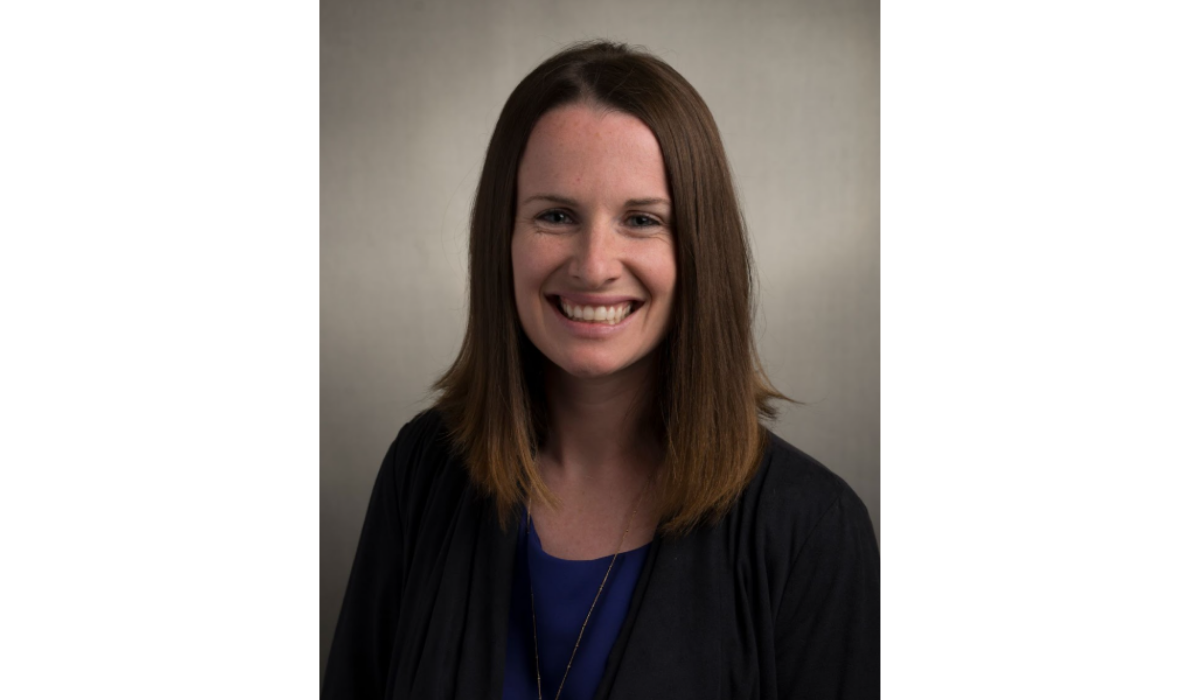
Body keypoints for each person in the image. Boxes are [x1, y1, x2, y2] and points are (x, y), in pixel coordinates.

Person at [323, 40, 879, 700]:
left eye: (642, 220)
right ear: (501, 239)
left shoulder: (812, 529)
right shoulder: (422, 472)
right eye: (556, 215)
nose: (594, 264)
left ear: (702, 249)